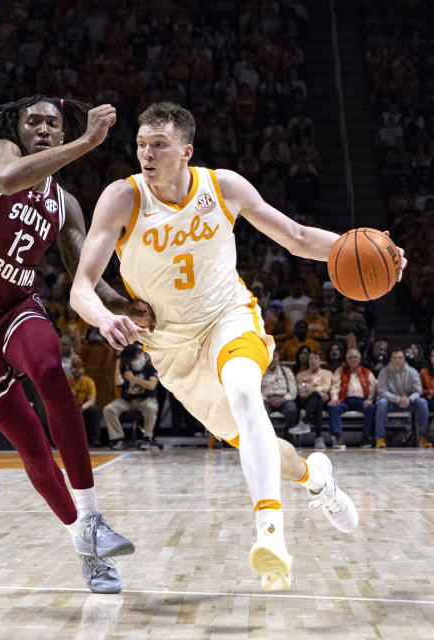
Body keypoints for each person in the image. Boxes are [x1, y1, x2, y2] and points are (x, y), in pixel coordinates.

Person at [70, 102, 401, 591]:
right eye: (141, 144)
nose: (146, 153)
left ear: (186, 151)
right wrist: (103, 316)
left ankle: (271, 535)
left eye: (158, 145)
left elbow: (297, 236)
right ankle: (315, 477)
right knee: (261, 444)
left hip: (229, 317)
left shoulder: (222, 187)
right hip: (172, 349)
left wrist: (379, 251)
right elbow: (81, 285)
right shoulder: (122, 198)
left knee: (246, 393)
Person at [0, 95, 142, 593]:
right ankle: (84, 543)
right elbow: (11, 180)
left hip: (16, 311)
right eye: (35, 120)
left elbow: (86, 277)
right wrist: (87, 141)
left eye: (54, 122)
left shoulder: (64, 203)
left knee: (51, 371)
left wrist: (130, 307)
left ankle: (93, 518)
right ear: (18, 127)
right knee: (32, 446)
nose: (45, 128)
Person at [102, 347, 160, 451]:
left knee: (151, 407)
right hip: (127, 401)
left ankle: (148, 438)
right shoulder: (126, 367)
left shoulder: (150, 368)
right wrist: (118, 362)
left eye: (139, 352)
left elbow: (152, 385)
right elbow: (118, 382)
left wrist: (133, 379)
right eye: (135, 353)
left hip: (145, 400)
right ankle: (117, 438)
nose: (138, 355)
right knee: (109, 409)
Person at [373, 347, 426, 448]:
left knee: (422, 402)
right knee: (381, 403)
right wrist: (397, 399)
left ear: (404, 359)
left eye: (400, 358)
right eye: (395, 358)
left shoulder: (412, 372)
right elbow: (382, 391)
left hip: (409, 402)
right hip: (391, 402)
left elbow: (418, 391)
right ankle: (380, 438)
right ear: (391, 359)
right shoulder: (384, 372)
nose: (397, 360)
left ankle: (422, 438)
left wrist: (409, 399)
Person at [328, 348, 377, 450]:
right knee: (333, 407)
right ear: (346, 359)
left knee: (371, 408)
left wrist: (370, 399)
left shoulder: (367, 372)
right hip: (345, 399)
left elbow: (373, 388)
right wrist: (334, 397)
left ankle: (366, 438)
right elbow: (335, 386)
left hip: (361, 400)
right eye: (350, 357)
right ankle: (338, 438)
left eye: (355, 357)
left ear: (359, 359)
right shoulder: (340, 371)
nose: (353, 359)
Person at [291, 351, 333, 449]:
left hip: (324, 401)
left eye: (316, 358)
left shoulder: (327, 374)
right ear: (308, 361)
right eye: (311, 358)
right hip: (306, 401)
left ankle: (305, 421)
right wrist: (316, 390)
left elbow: (326, 387)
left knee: (316, 398)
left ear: (320, 361)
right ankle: (319, 438)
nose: (313, 361)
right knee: (316, 399)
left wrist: (312, 389)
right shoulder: (302, 375)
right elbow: (302, 390)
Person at [261, 351, 299, 436]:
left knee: (292, 409)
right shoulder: (260, 371)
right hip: (266, 400)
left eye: (274, 356)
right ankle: (269, 436)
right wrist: (266, 399)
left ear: (278, 358)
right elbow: (255, 390)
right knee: (260, 411)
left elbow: (293, 390)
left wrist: (284, 399)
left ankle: (287, 434)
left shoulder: (286, 371)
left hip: (284, 399)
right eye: (270, 356)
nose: (272, 359)